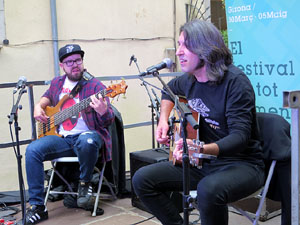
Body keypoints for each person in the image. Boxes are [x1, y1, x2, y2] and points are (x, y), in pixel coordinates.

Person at [132, 19, 265, 225]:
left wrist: (200, 148)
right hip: (204, 161)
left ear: (205, 49)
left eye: (186, 45)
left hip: (242, 164)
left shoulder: (236, 83)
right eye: (178, 45)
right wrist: (163, 120)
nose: (178, 52)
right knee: (142, 179)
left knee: (208, 190)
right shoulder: (190, 79)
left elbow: (240, 137)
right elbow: (169, 90)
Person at [25, 44, 115, 224]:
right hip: (63, 140)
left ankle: (84, 184)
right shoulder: (57, 83)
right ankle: (37, 206)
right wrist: (38, 107)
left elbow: (108, 121)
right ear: (62, 65)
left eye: (78, 60)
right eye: (70, 62)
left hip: (89, 137)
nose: (75, 65)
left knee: (87, 140)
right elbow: (46, 97)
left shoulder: (95, 85)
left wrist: (103, 110)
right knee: (32, 150)